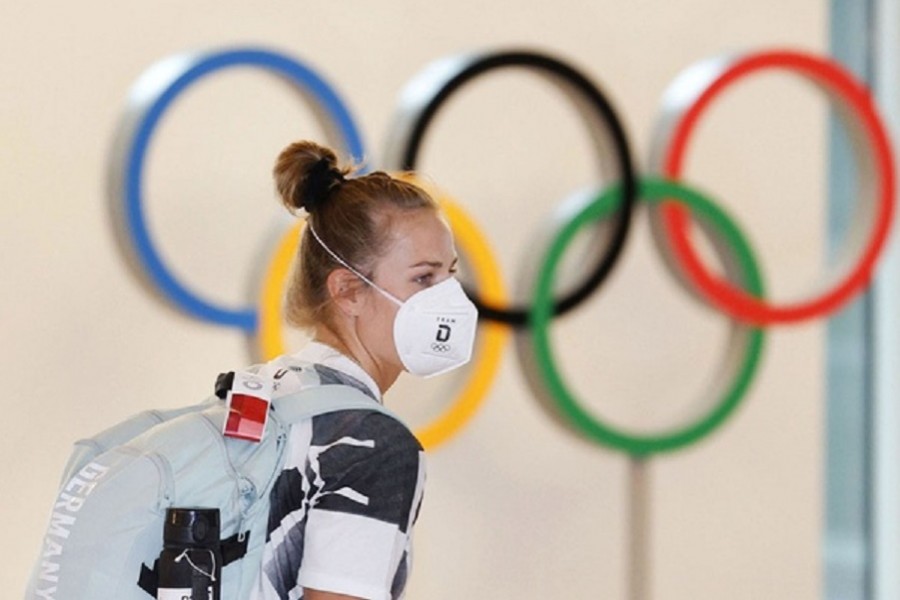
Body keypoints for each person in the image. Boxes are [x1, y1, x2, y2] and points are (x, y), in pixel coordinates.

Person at [249, 140, 478, 600]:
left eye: (450, 273)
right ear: (349, 291)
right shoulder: (370, 442)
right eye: (424, 278)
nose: (448, 298)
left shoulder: (270, 394)